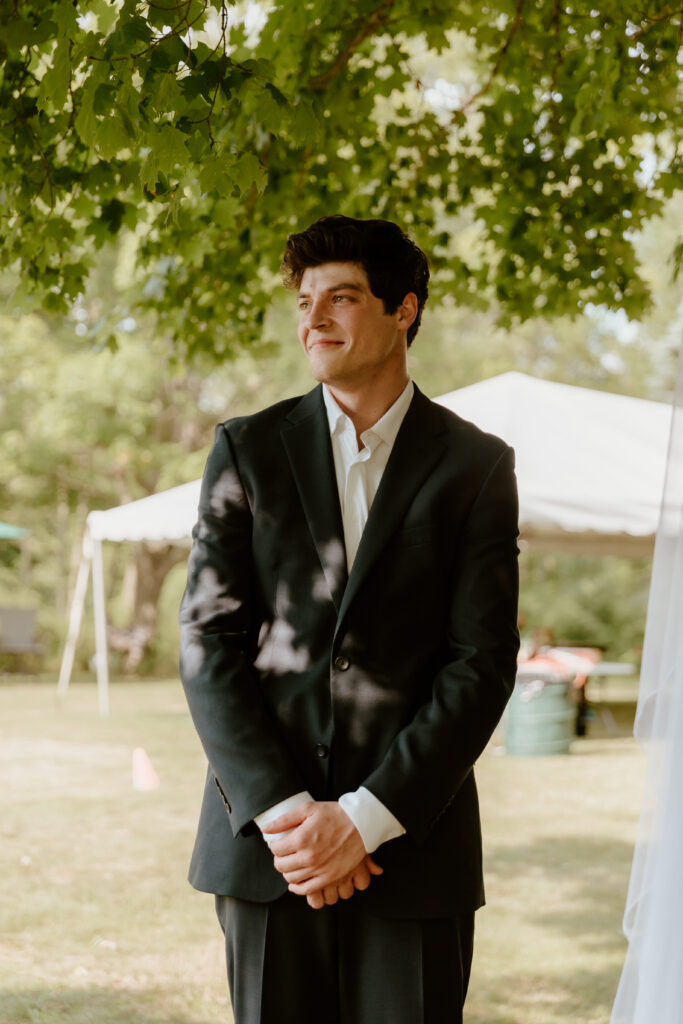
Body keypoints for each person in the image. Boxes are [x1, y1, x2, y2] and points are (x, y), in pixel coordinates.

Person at [179, 214, 520, 1024]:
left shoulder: (477, 466)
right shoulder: (246, 450)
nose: (313, 319)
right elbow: (207, 641)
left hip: (413, 849)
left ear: (404, 309)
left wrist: (364, 823)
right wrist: (291, 820)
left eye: (341, 297)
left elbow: (481, 662)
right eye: (304, 301)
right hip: (273, 855)